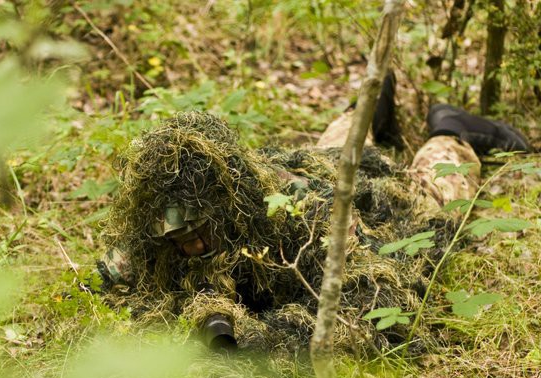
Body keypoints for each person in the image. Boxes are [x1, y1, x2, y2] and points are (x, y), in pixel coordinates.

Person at [96, 77, 531, 354]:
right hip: (314, 166)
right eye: (179, 239)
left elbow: (362, 294)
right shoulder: (169, 223)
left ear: (224, 213)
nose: (192, 247)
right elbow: (123, 263)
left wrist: (270, 335)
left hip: (356, 207)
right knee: (332, 152)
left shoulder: (295, 219)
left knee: (428, 195)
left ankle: (450, 128)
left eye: (199, 232)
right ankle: (367, 104)